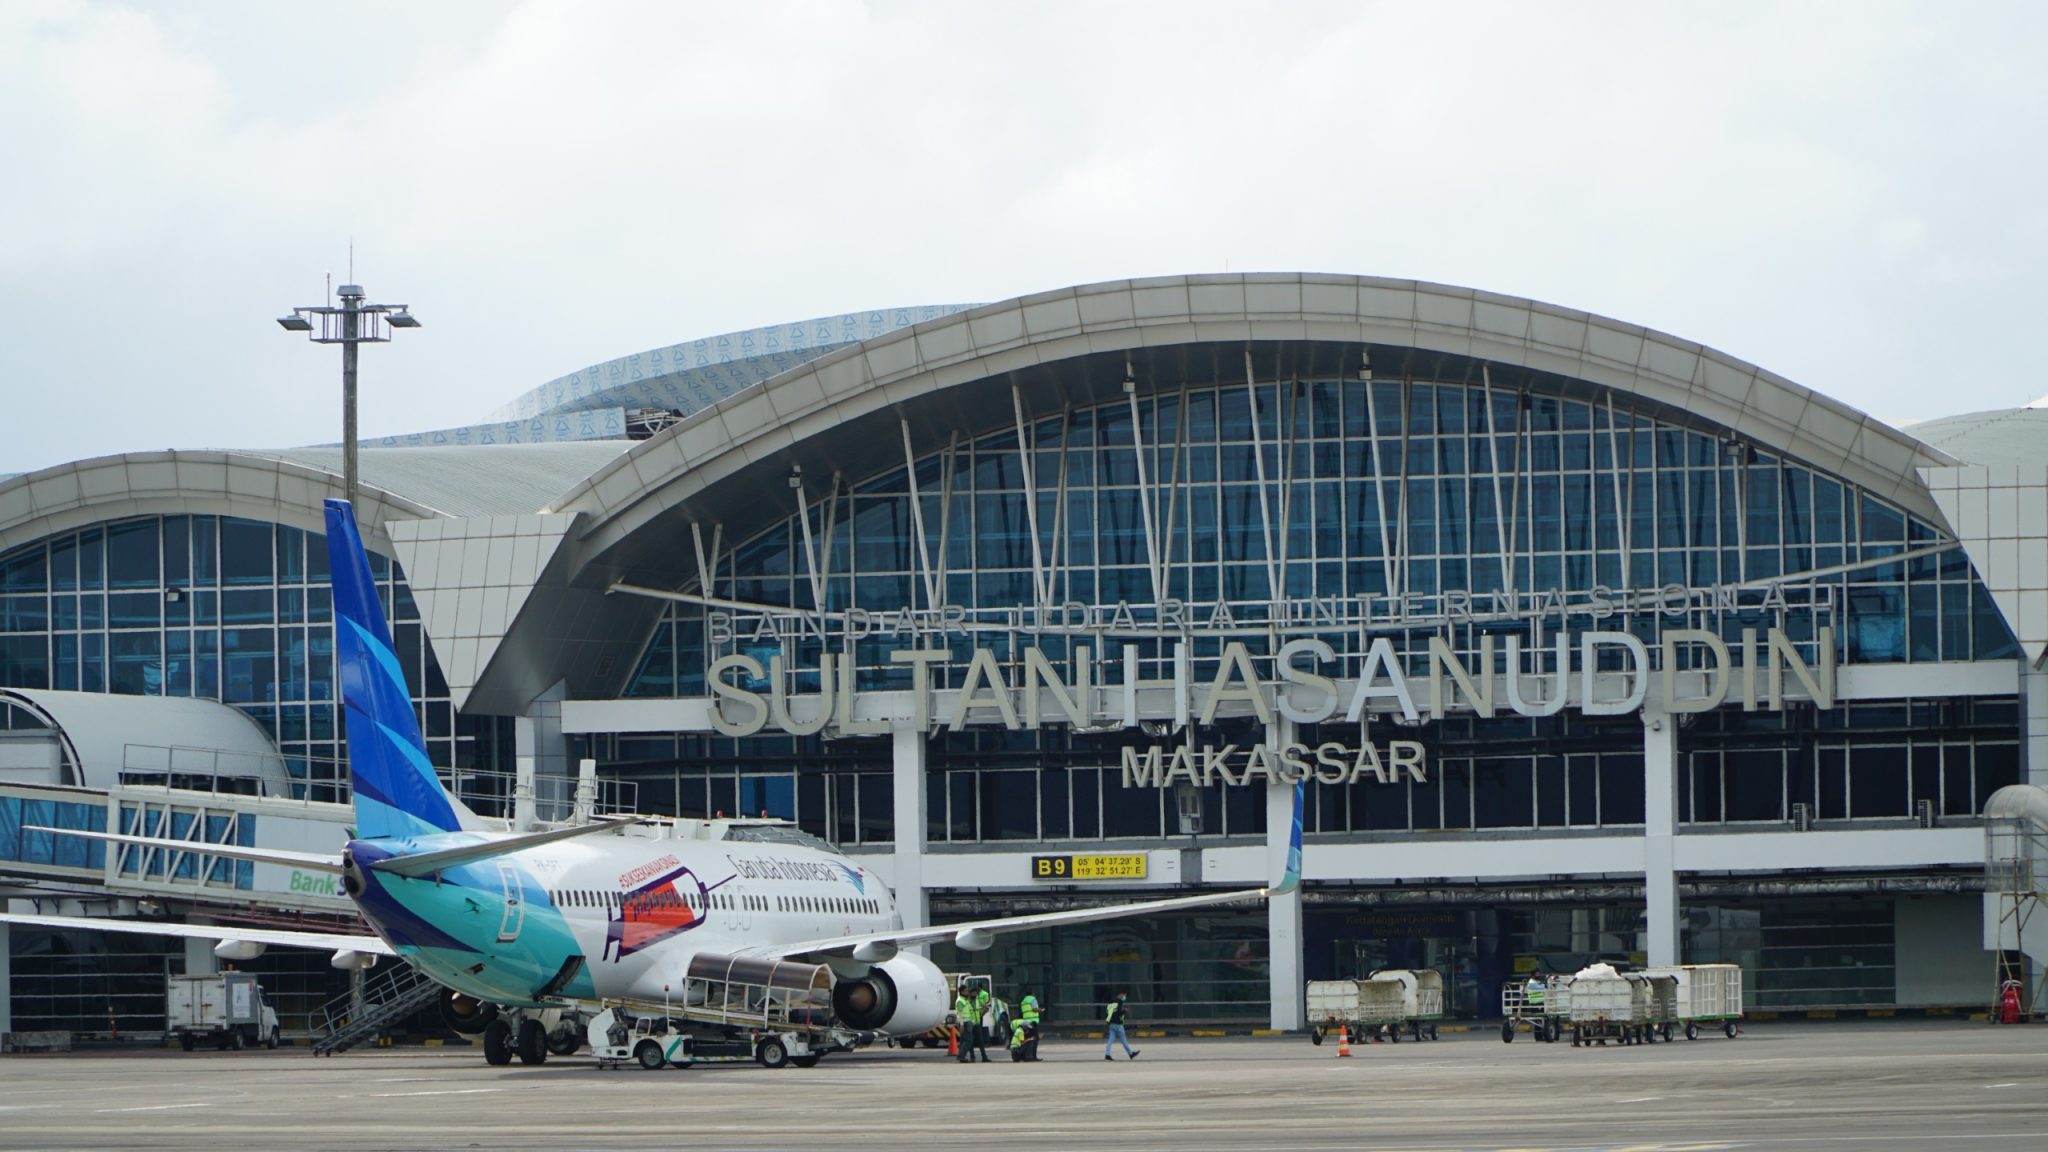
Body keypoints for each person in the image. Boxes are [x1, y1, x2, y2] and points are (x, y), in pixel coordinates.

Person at [1103, 992, 1139, 1061]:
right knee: (1124, 1040)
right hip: (1118, 1024)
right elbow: (1118, 1014)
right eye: (1123, 995)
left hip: (1111, 1024)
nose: (1124, 997)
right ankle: (1131, 1053)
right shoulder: (1119, 1002)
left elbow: (1108, 1013)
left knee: (1110, 1040)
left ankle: (1107, 1054)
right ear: (1120, 995)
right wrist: (1124, 1011)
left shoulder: (1111, 1003)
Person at [953, 986, 979, 1064]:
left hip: (967, 1022)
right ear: (961, 992)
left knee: (964, 1040)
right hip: (964, 1022)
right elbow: (960, 1013)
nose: (968, 992)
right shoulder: (960, 1001)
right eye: (966, 991)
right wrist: (961, 1024)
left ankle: (962, 1057)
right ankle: (961, 1056)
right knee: (968, 1040)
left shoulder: (965, 1000)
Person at [1017, 991, 1042, 1061]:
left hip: (1025, 1023)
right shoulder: (1033, 999)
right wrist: (1041, 1010)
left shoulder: (1023, 1001)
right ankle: (1033, 1056)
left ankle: (1024, 1056)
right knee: (1035, 1039)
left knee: (1026, 1039)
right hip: (1033, 1022)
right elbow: (1035, 1009)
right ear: (1033, 993)